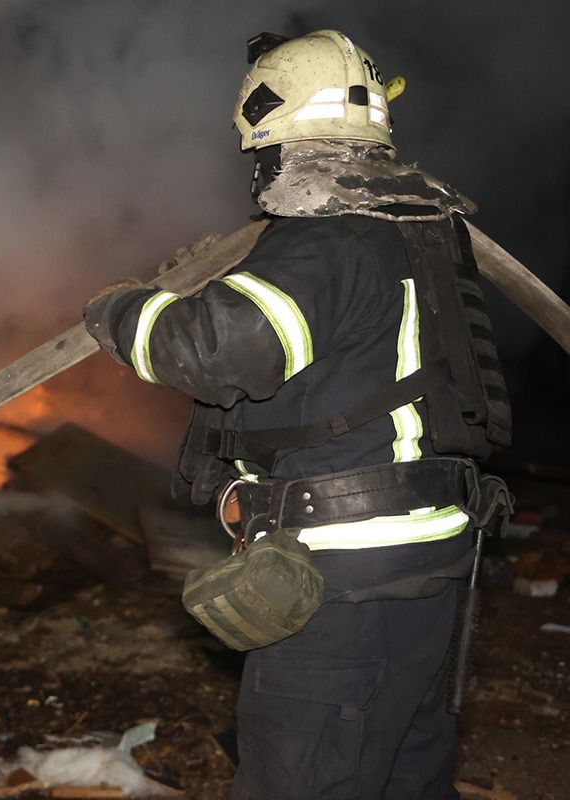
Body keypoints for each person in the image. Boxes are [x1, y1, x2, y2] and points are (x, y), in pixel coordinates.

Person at [83, 30, 511, 800]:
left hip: (344, 582)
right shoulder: (416, 229)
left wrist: (119, 310)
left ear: (271, 130)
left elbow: (216, 349)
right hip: (430, 563)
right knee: (403, 780)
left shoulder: (327, 238)